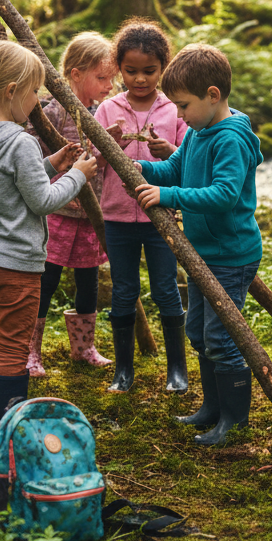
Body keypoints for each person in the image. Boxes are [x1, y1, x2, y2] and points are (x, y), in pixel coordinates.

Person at [0, 40, 96, 438]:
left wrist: (52, 163)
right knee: (13, 350)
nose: (38, 100)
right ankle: (6, 435)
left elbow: (7, 183)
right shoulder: (20, 142)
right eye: (34, 91)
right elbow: (42, 199)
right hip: (14, 265)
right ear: (13, 91)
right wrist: (79, 174)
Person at [135, 43, 264, 446]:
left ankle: (233, 421)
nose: (178, 114)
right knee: (198, 331)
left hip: (231, 256)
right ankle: (212, 408)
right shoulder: (198, 130)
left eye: (183, 104)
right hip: (204, 254)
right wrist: (139, 168)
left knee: (222, 338)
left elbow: (224, 193)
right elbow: (174, 169)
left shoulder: (230, 139)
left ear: (213, 95)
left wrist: (169, 197)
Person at [96, 19, 187, 394]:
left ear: (163, 68)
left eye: (149, 71)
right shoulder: (106, 109)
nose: (140, 79)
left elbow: (188, 163)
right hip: (117, 215)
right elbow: (93, 164)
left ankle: (177, 370)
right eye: (131, 71)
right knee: (123, 290)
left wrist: (170, 153)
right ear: (118, 68)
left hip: (160, 216)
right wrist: (107, 145)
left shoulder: (175, 110)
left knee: (167, 288)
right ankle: (123, 371)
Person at [27, 32, 115, 376]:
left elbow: (105, 162)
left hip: (91, 212)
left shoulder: (104, 113)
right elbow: (32, 152)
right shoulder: (53, 109)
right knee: (46, 279)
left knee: (88, 279)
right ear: (76, 74)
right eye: (102, 78)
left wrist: (115, 142)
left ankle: (84, 346)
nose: (109, 85)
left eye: (111, 78)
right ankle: (30, 349)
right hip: (58, 209)